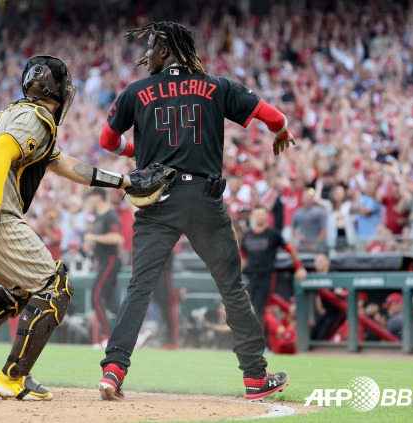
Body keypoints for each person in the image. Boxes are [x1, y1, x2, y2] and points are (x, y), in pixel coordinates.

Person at [96, 21, 294, 402]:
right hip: (204, 198)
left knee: (140, 285)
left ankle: (114, 368)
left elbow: (107, 141)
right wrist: (283, 132)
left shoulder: (136, 91)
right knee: (232, 288)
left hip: (155, 201)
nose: (146, 55)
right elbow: (274, 117)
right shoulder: (216, 85)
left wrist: (138, 151)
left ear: (167, 51)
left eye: (152, 47)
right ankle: (255, 377)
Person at [0, 55, 131, 401]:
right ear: (59, 91)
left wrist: (122, 181)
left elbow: (66, 165)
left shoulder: (17, 113)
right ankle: (12, 377)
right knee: (57, 286)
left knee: (20, 289)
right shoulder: (38, 117)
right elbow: (2, 153)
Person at [240, 204, 306, 325]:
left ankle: (259, 341)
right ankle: (251, 340)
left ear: (266, 216)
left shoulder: (273, 234)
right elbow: (243, 257)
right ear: (253, 216)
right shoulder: (247, 236)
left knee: (258, 307)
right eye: (257, 214)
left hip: (266, 276)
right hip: (251, 277)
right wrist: (237, 276)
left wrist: (299, 267)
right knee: (248, 308)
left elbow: (290, 249)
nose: (259, 217)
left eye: (261, 214)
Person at [83, 187, 123, 345]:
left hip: (111, 260)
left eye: (91, 196)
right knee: (110, 301)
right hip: (104, 260)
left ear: (98, 196)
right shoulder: (98, 217)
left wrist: (92, 237)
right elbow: (101, 241)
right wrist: (91, 246)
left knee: (96, 297)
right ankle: (133, 331)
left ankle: (107, 336)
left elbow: (115, 238)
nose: (89, 200)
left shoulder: (110, 215)